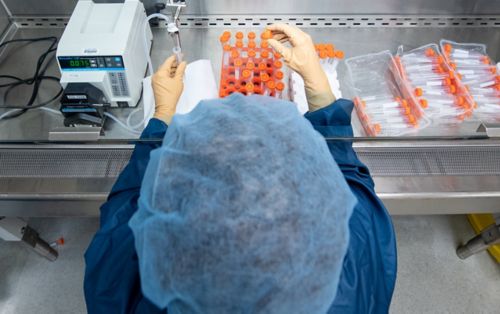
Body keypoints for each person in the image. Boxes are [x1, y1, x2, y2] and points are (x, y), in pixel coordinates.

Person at [84, 24, 396, 314]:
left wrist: (162, 115)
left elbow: (124, 210)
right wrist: (320, 91)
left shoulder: (116, 289)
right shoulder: (354, 275)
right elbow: (352, 186)